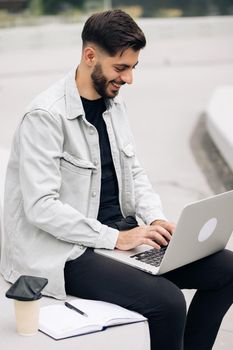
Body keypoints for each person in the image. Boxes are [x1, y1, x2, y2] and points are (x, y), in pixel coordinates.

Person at [1, 9, 233, 350]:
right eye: (120, 68)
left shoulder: (114, 106)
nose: (128, 79)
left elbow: (135, 172)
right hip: (68, 251)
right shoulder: (45, 117)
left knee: (228, 269)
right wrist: (117, 238)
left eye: (133, 68)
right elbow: (41, 208)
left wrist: (154, 218)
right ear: (89, 55)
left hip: (118, 238)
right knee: (168, 302)